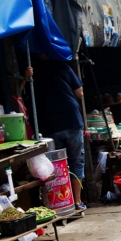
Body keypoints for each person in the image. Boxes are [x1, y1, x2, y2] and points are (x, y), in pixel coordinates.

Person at [24, 58, 86, 210]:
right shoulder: (63, 66)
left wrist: (26, 78)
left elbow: (22, 94)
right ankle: (77, 202)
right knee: (76, 162)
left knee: (54, 166)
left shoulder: (33, 72)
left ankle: (59, 204)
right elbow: (80, 93)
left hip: (50, 125)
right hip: (71, 120)